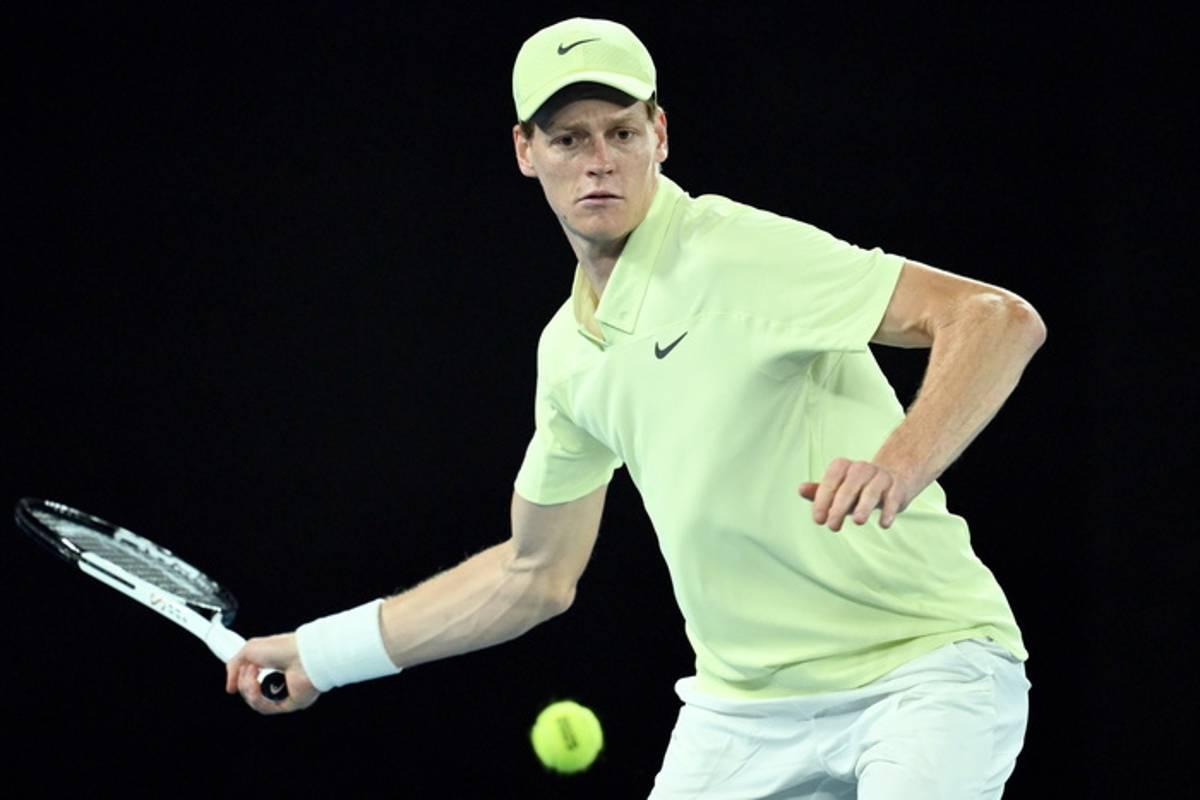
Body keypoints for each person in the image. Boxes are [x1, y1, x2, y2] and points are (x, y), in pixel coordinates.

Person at [226, 17, 1046, 799]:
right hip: (744, 710)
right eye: (569, 137)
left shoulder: (738, 252)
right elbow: (534, 574)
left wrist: (900, 462)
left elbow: (994, 319)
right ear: (525, 151)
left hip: (924, 670)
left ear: (660, 134)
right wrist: (323, 655)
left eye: (621, 132)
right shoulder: (570, 354)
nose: (598, 161)